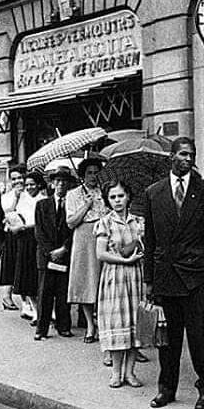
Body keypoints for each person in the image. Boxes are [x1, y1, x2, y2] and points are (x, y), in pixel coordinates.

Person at [143, 137, 204, 409]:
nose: (188, 159)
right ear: (171, 156)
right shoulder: (154, 193)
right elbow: (150, 241)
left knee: (202, 338)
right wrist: (148, 281)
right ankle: (166, 389)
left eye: (192, 155)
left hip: (197, 276)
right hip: (166, 277)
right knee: (168, 340)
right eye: (183, 155)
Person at [95, 179, 146, 389]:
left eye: (121, 196)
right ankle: (116, 373)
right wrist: (123, 259)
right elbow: (100, 253)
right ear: (108, 200)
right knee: (117, 323)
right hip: (114, 276)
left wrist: (140, 247)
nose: (117, 201)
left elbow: (145, 248)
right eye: (113, 197)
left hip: (136, 276)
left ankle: (130, 372)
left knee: (135, 323)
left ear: (128, 197)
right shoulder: (105, 222)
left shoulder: (139, 222)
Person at [66, 157, 108, 343]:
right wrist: (86, 205)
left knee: (104, 281)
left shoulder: (106, 192)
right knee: (85, 280)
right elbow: (71, 222)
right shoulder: (73, 194)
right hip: (83, 238)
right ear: (82, 175)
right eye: (89, 172)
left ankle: (104, 324)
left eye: (96, 172)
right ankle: (90, 326)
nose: (93, 176)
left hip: (104, 236)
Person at [34, 169, 74, 341]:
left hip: (65, 254)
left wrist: (64, 249)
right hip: (47, 256)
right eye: (57, 181)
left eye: (64, 181)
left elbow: (74, 231)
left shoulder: (72, 205)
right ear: (51, 184)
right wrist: (51, 252)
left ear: (69, 185)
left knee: (63, 292)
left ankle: (63, 326)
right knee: (45, 293)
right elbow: (39, 232)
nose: (60, 185)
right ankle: (41, 329)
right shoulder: (42, 205)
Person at [12, 171, 45, 321]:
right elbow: (15, 215)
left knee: (37, 275)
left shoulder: (43, 199)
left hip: (37, 238)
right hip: (23, 239)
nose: (29, 187)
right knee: (26, 277)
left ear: (39, 184)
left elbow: (41, 222)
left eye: (32, 184)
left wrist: (26, 226)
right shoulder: (22, 199)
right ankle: (34, 310)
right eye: (27, 185)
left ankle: (44, 311)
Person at [0, 167, 27, 310]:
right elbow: (8, 212)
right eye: (14, 178)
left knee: (24, 265)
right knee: (10, 263)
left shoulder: (30, 192)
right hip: (12, 232)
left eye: (20, 177)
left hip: (26, 231)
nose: (18, 181)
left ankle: (26, 300)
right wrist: (16, 196)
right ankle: (7, 296)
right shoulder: (7, 195)